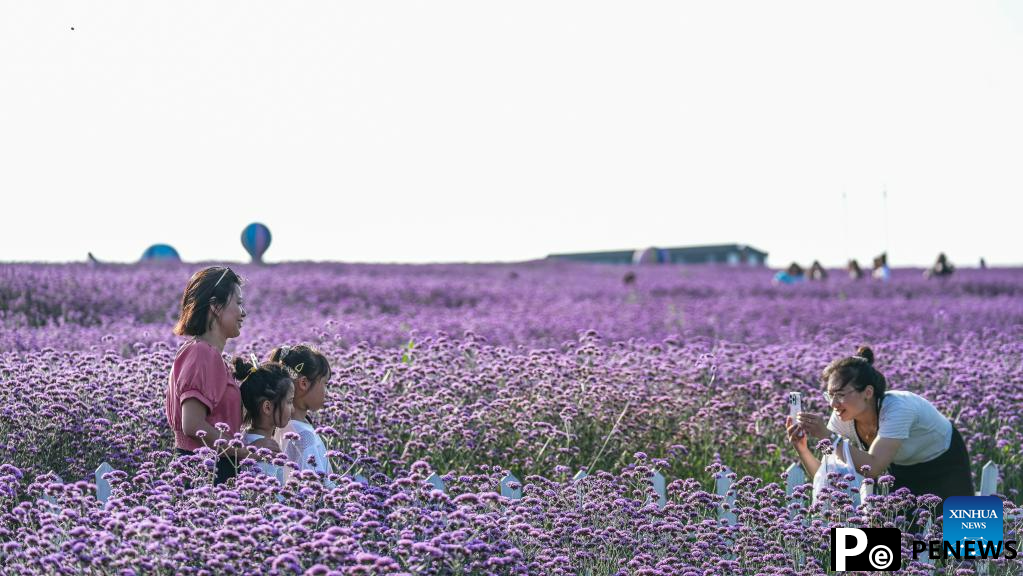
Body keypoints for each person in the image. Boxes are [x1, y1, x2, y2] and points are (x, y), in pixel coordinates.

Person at [786, 346, 974, 516]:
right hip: (900, 468)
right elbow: (826, 475)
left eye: (841, 395)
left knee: (966, 541)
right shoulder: (843, 416)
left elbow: (874, 467)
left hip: (945, 463)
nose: (833, 404)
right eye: (830, 395)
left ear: (868, 392)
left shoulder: (898, 408)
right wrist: (802, 449)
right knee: (898, 539)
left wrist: (827, 436)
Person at [166, 266, 274, 485]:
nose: (243, 312)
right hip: (205, 471)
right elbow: (193, 424)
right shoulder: (202, 353)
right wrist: (245, 452)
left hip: (209, 467)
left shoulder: (206, 354)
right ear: (215, 306)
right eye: (239, 303)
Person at [269, 344, 335, 485]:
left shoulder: (281, 424)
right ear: (304, 383)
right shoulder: (303, 436)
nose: (327, 392)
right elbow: (317, 487)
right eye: (325, 384)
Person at [237, 357, 294, 484]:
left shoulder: (245, 440)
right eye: (289, 402)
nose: (293, 409)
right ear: (267, 407)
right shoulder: (262, 452)